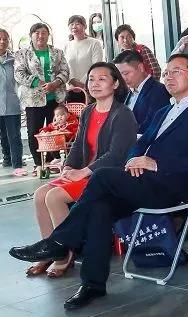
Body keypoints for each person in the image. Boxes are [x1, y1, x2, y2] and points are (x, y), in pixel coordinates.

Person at [8, 54, 188, 309]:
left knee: (101, 175)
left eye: (176, 71)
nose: (167, 77)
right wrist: (134, 160)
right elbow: (140, 143)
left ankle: (60, 242)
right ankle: (92, 284)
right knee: (100, 209)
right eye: (166, 72)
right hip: (143, 181)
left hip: (174, 186)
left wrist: (156, 164)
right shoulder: (165, 110)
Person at [28, 63, 136, 278]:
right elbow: (78, 145)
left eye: (102, 79)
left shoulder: (123, 114)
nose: (95, 84)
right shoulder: (88, 111)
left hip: (106, 177)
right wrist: (68, 166)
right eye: (91, 79)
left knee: (55, 197)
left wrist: (84, 171)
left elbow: (116, 156)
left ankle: (63, 255)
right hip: (85, 173)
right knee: (40, 194)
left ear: (115, 84)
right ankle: (49, 250)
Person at [14, 23, 70, 174]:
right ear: (31, 35)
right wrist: (37, 82)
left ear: (48, 35)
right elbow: (19, 73)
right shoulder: (22, 54)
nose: (40, 36)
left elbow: (65, 71)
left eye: (44, 33)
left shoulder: (57, 52)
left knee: (55, 129)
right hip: (33, 100)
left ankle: (54, 160)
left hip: (55, 98)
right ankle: (38, 163)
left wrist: (56, 83)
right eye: (37, 33)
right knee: (34, 131)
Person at [114, 50, 170, 136]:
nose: (123, 78)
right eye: (119, 75)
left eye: (126, 73)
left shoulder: (159, 91)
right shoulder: (127, 92)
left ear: (141, 68)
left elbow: (152, 128)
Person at [0, 29, 25, 175]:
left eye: (5, 39)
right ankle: (7, 158)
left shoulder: (15, 59)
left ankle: (17, 164)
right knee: (3, 135)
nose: (2, 41)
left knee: (14, 135)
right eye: (0, 38)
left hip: (11, 103)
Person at [64, 15, 105, 100]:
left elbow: (96, 65)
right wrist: (72, 80)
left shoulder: (94, 43)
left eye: (77, 24)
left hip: (89, 86)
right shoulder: (67, 46)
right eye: (71, 24)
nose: (74, 26)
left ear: (85, 26)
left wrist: (83, 83)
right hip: (71, 88)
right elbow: (64, 67)